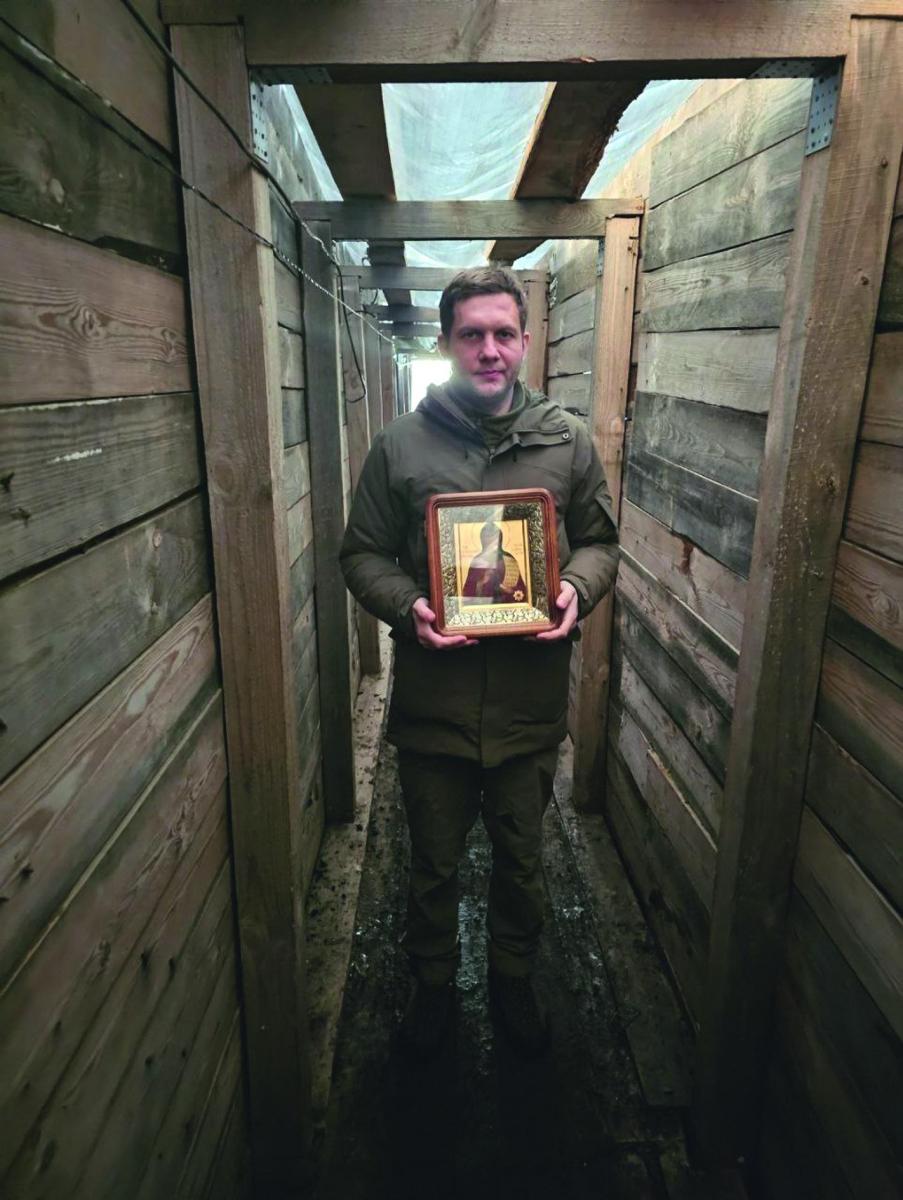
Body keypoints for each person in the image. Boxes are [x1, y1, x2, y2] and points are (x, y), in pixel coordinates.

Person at [340, 266, 618, 1058]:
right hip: (435, 706)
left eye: (502, 334)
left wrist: (572, 589)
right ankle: (431, 986)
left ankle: (512, 978)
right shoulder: (399, 445)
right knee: (431, 865)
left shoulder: (566, 441)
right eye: (471, 335)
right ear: (446, 343)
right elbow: (360, 554)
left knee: (522, 861)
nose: (488, 349)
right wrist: (410, 607)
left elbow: (600, 543)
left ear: (524, 342)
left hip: (529, 706)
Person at [461, 521, 527, 604]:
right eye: (487, 538)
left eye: (493, 538)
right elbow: (467, 594)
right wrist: (482, 582)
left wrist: (509, 590)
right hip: (483, 607)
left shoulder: (509, 560)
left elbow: (521, 591)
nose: (490, 542)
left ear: (500, 539)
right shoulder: (477, 561)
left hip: (507, 605)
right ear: (482, 540)